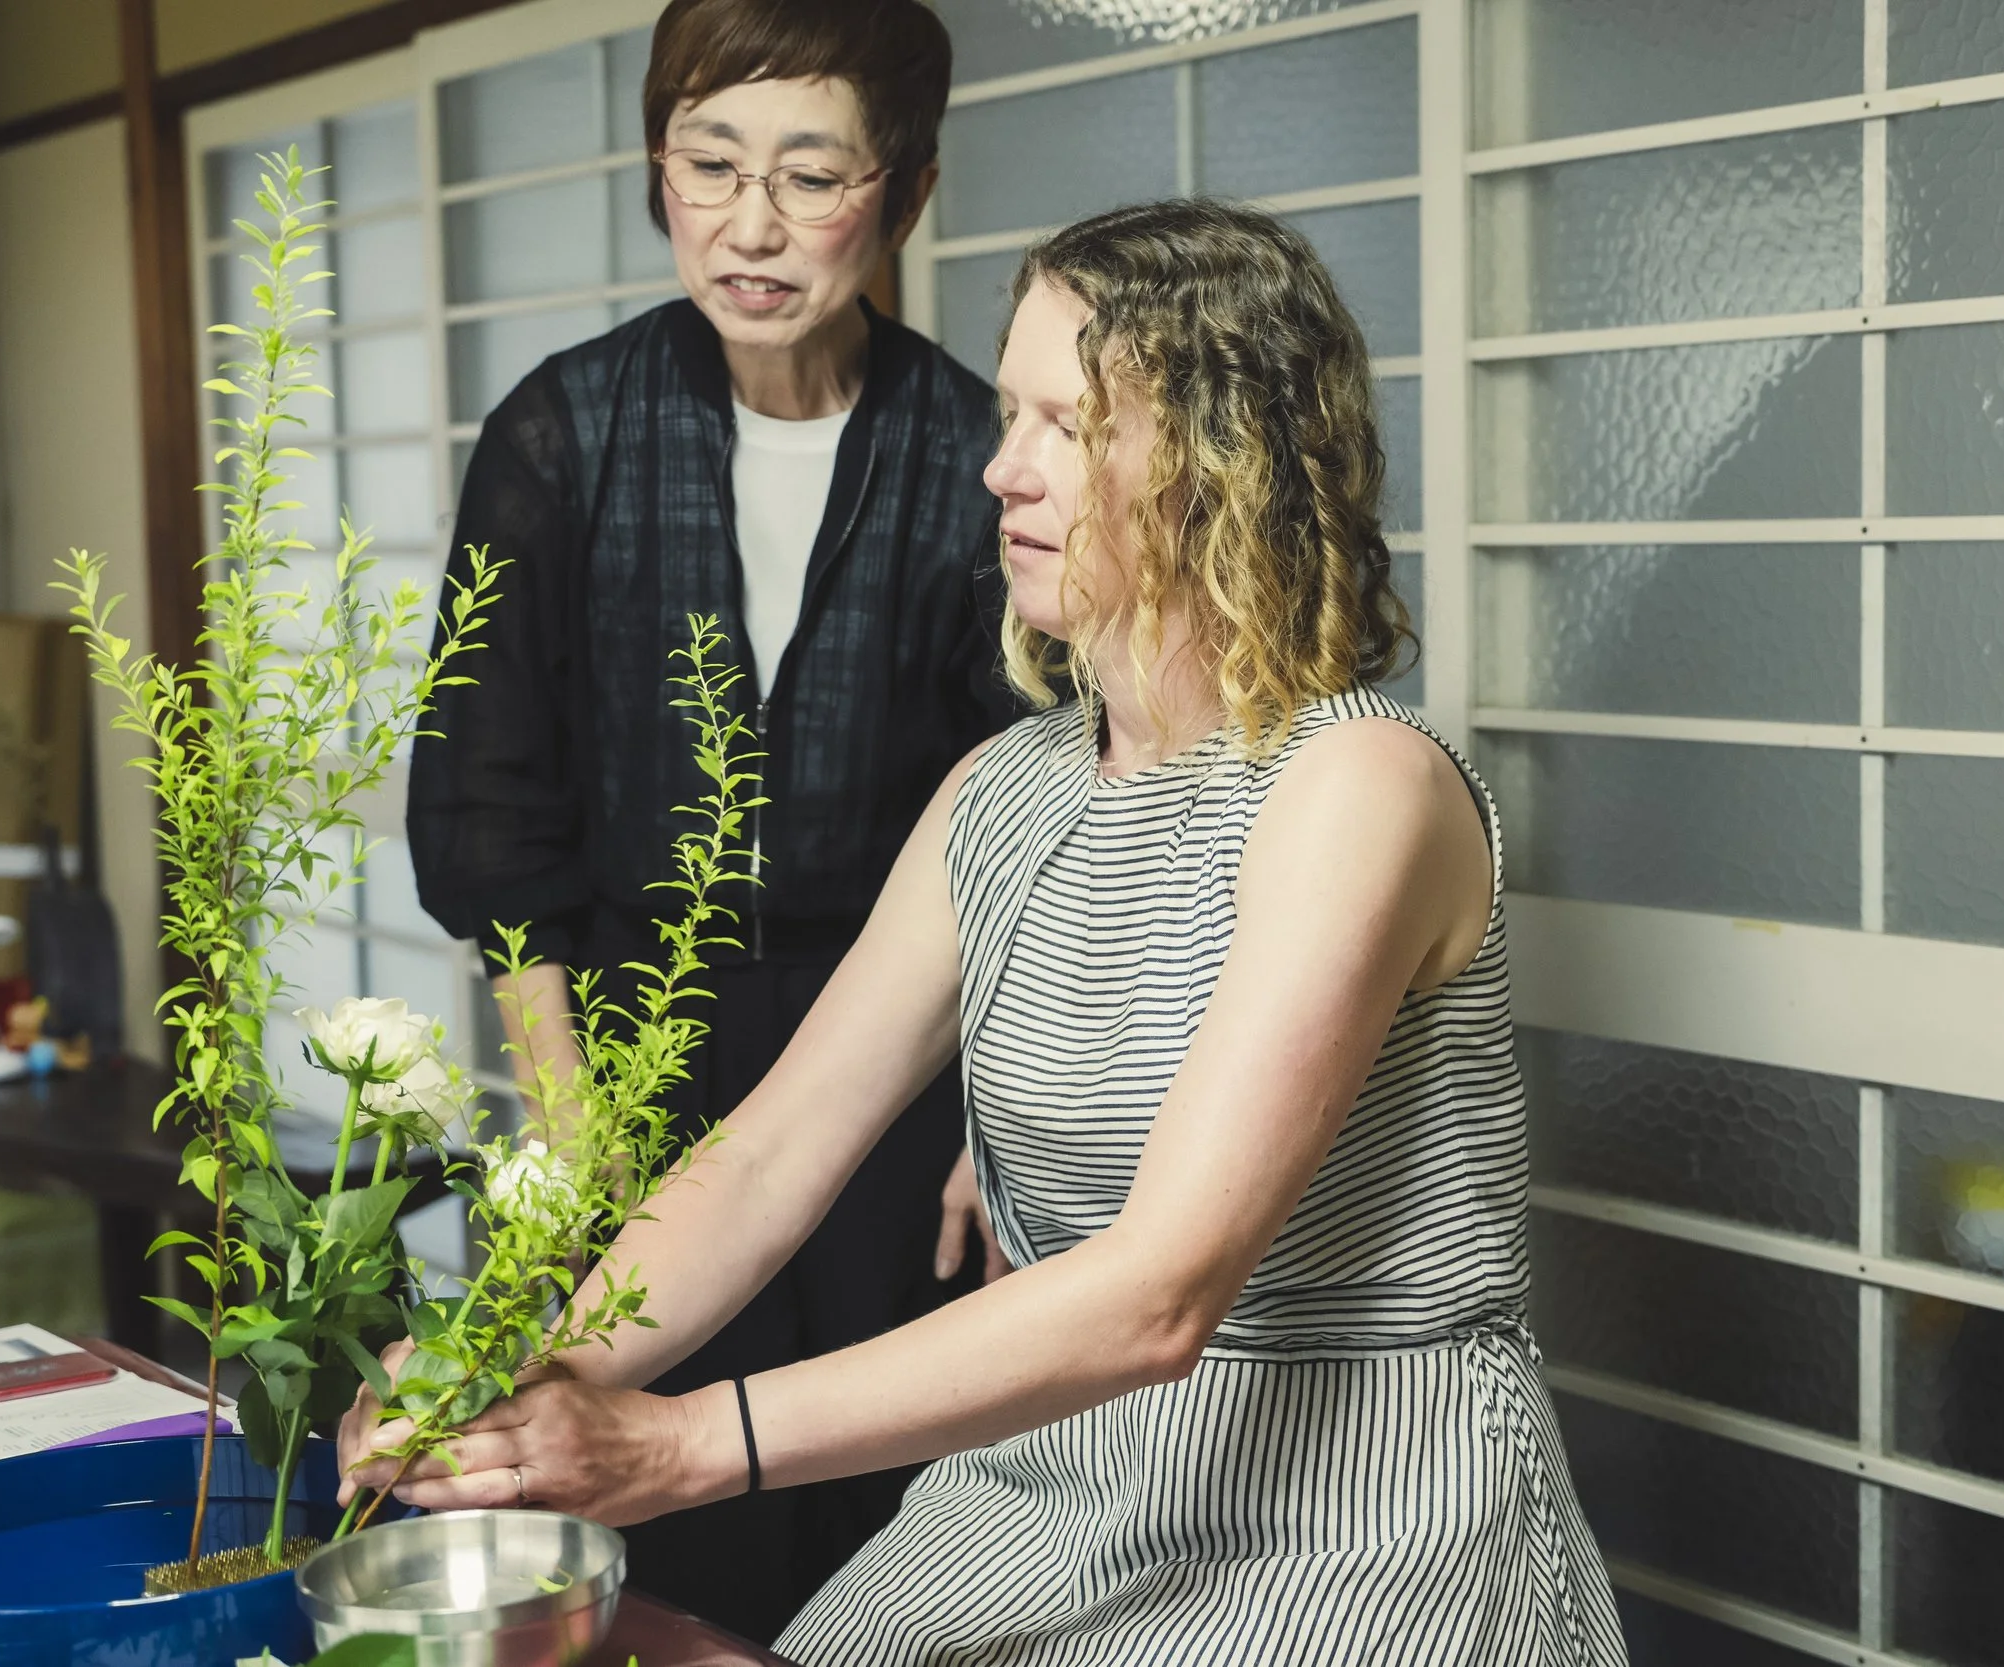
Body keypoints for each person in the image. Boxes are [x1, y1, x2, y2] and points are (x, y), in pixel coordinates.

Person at [370, 197, 1632, 1666]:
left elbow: (1164, 1290)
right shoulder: (1002, 791)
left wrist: (680, 1446)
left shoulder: (1357, 785)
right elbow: (769, 1154)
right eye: (1009, 413)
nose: (1000, 469)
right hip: (1058, 1479)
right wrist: (499, 1374)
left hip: (1360, 1509)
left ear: (1226, 464)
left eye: (1066, 424)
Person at [402, 0, 1013, 1640]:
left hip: (894, 1051)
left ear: (905, 190)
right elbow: (488, 788)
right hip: (613, 1031)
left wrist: (992, 1123)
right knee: (617, 1491)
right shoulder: (562, 428)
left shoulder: (978, 453)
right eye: (709, 165)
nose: (750, 225)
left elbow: (1041, 804)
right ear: (656, 170)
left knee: (885, 1493)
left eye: (810, 176)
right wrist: (567, 1120)